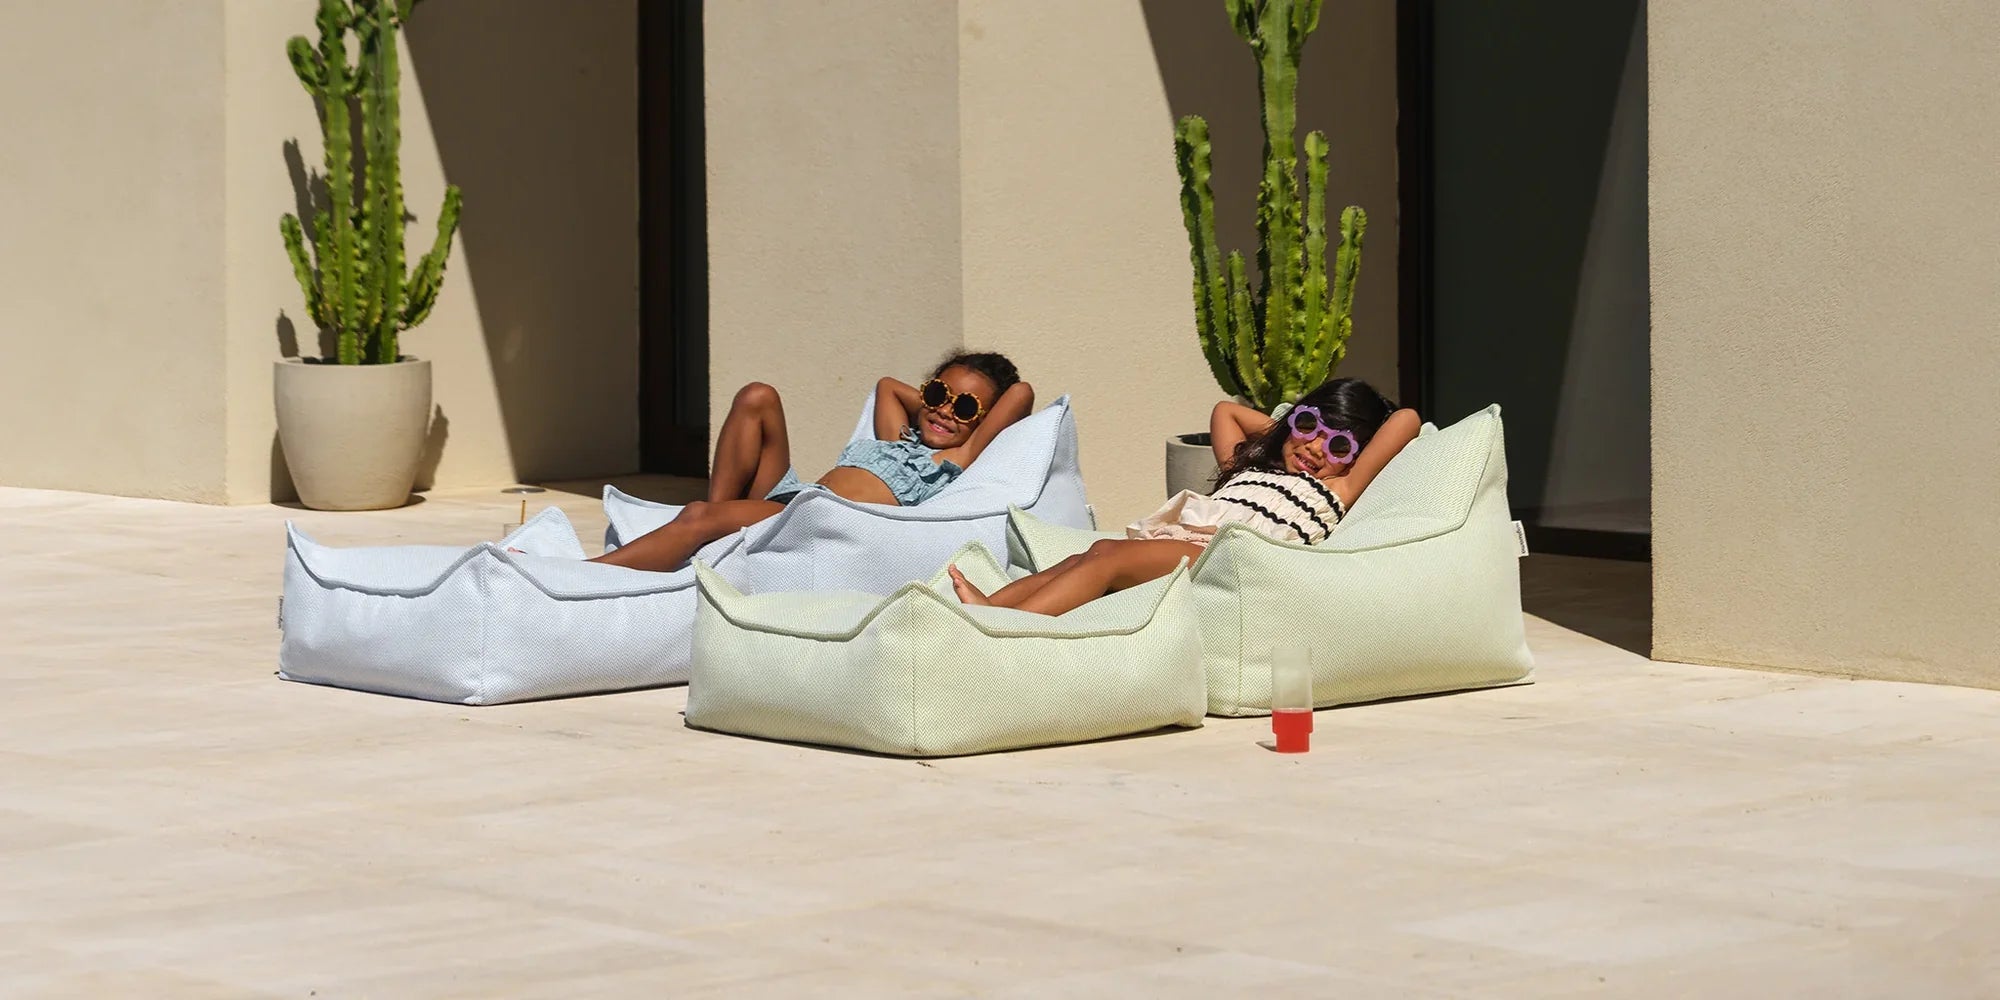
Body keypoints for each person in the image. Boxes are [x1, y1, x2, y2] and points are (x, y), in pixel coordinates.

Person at [949, 377, 1418, 616]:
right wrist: (1286, 432)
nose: (1315, 448)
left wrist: (1324, 443)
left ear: (1356, 458)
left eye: (1339, 445)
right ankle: (991, 609)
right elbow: (1226, 411)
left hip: (1235, 555)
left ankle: (1006, 628)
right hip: (1191, 543)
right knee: (1089, 553)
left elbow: (1408, 420)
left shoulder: (1336, 487)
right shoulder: (1249, 469)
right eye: (1309, 426)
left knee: (1108, 554)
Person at [594, 352, 1034, 571]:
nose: (945, 411)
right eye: (938, 394)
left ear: (984, 420)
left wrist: (954, 409)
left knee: (696, 516)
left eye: (965, 408)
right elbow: (886, 385)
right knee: (757, 396)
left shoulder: (955, 458)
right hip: (794, 497)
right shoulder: (897, 437)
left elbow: (1021, 393)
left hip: (812, 516)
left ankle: (593, 574)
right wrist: (938, 403)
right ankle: (715, 534)